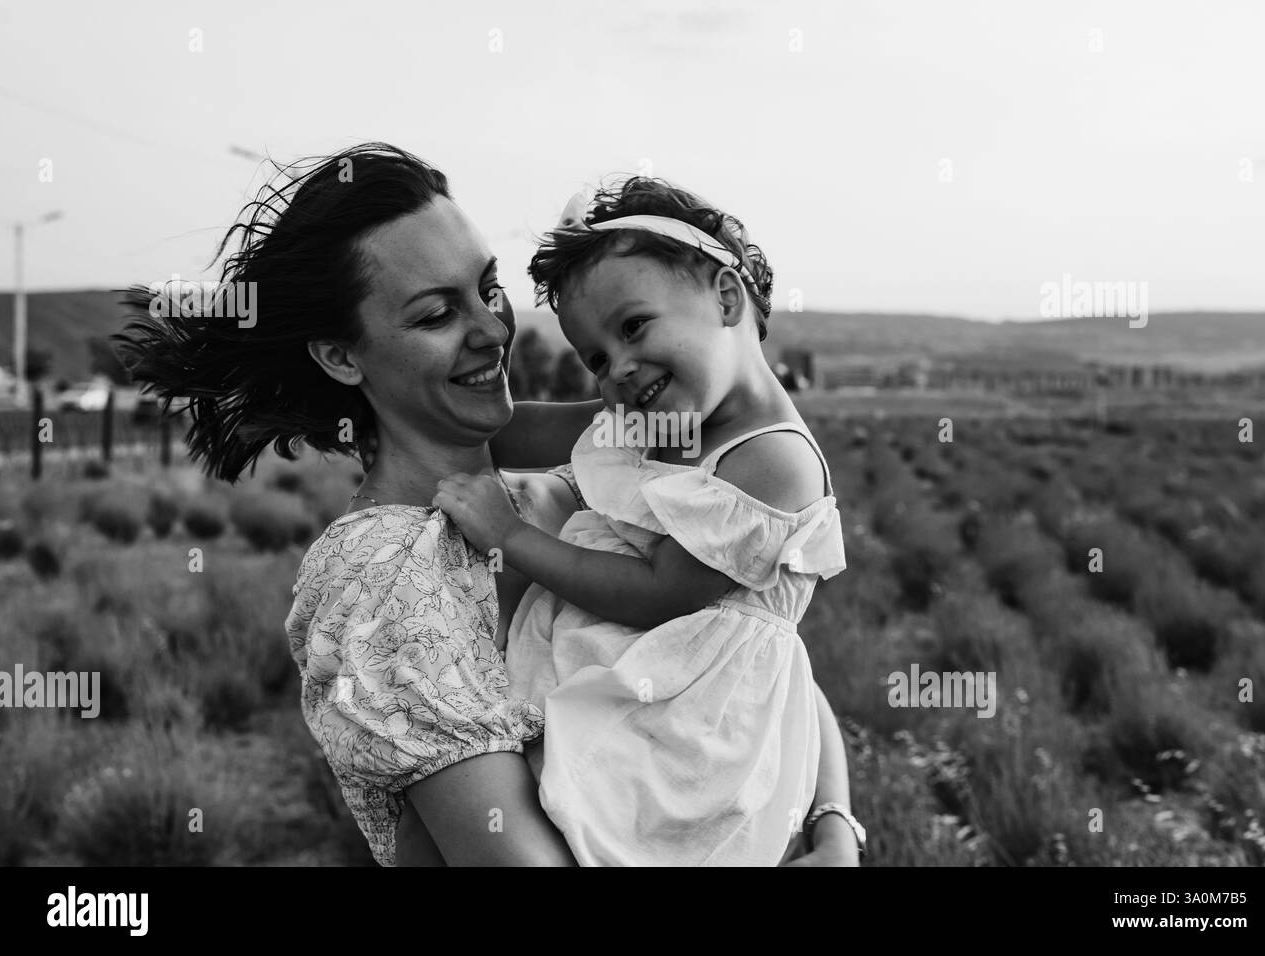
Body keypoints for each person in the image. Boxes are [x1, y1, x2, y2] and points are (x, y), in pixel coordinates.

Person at [113, 143, 861, 866]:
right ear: (341, 356)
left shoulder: (595, 481)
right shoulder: (385, 574)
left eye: (488, 289)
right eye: (438, 314)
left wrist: (833, 827)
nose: (495, 331)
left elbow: (759, 652)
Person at [433, 177, 850, 866]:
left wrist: (511, 537)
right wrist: (420, 414)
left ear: (725, 296)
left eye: (633, 327)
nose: (618, 369)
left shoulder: (772, 461)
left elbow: (660, 591)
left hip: (679, 741)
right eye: (595, 358)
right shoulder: (658, 419)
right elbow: (521, 432)